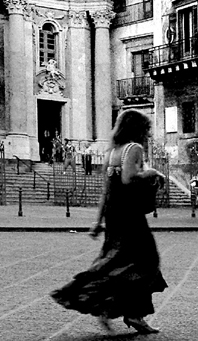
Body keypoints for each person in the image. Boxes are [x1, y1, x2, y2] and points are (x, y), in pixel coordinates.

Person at [51, 109, 167, 335]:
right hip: (131, 216)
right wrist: (153, 172)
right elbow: (128, 178)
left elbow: (106, 191)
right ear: (138, 129)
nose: (148, 133)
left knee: (115, 262)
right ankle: (127, 312)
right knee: (147, 262)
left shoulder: (112, 152)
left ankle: (125, 311)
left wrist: (98, 221)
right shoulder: (134, 149)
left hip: (114, 217)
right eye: (146, 128)